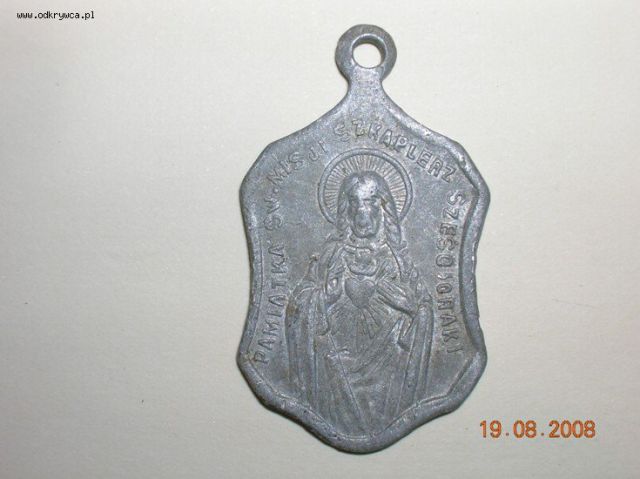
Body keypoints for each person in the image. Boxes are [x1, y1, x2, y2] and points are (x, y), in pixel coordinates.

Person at [285, 170, 433, 435]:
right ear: (346, 209)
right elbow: (298, 304)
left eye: (370, 202)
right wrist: (322, 299)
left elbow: (423, 309)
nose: (362, 213)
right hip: (335, 372)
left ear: (383, 208)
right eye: (355, 202)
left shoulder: (399, 260)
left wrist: (409, 306)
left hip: (390, 375)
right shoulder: (330, 255)